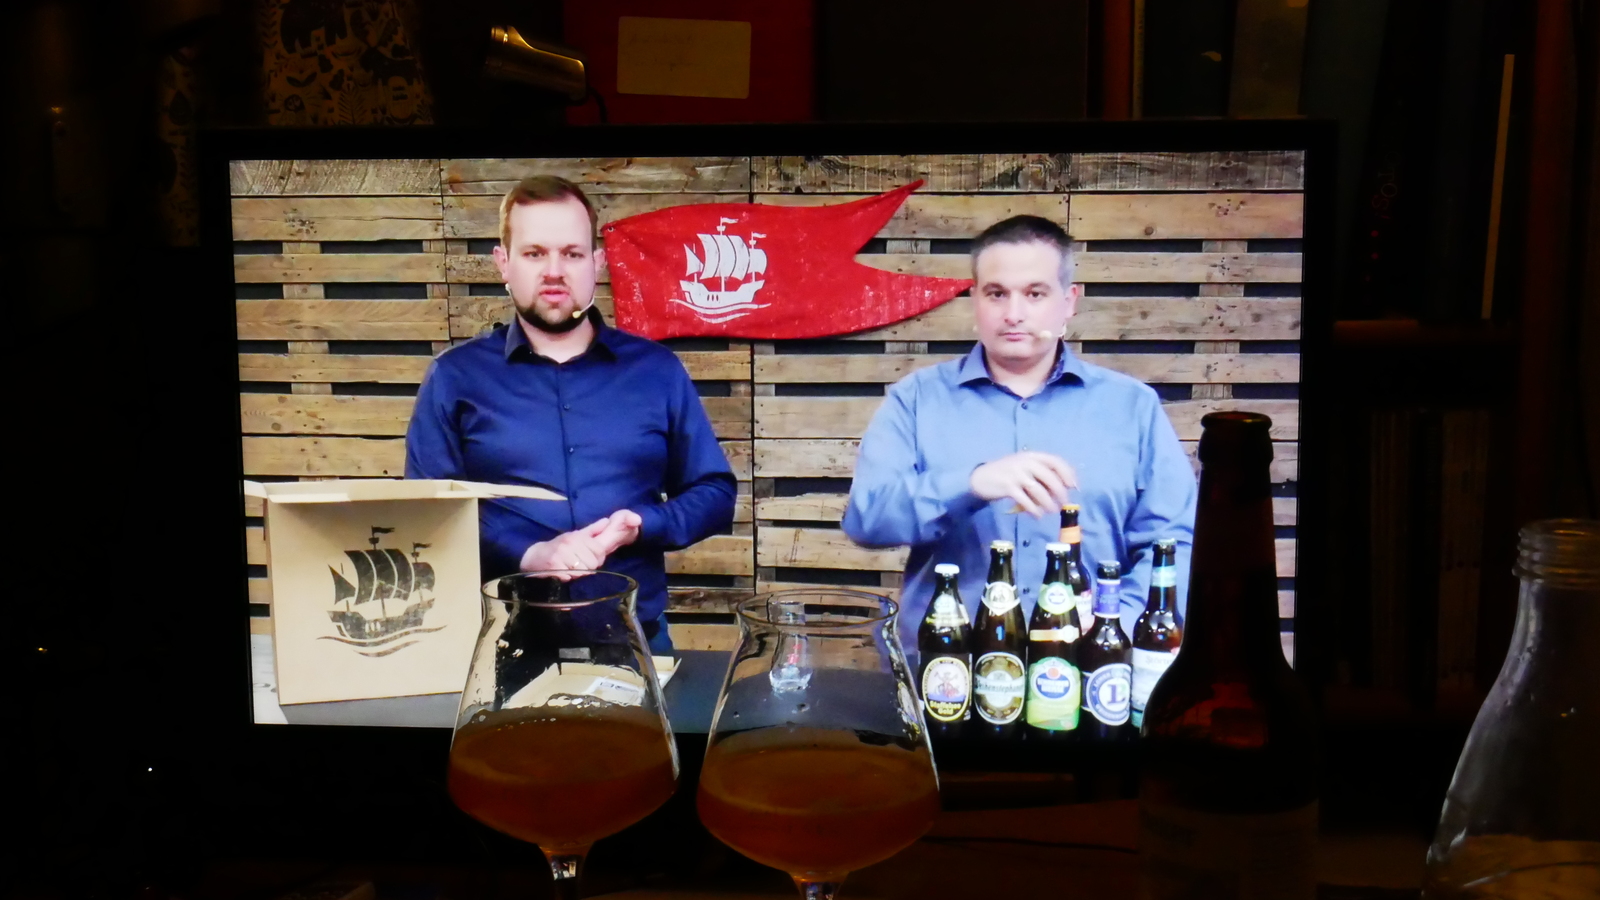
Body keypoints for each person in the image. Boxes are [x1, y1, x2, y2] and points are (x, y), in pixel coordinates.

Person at [406, 175, 737, 653]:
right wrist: (530, 552)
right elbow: (428, 509)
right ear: (503, 263)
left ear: (597, 264)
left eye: (572, 254)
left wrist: (641, 525)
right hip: (499, 651)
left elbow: (715, 493)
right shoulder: (453, 377)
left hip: (635, 645)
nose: (554, 271)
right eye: (534, 253)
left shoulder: (656, 371)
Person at [842, 215, 1197, 658]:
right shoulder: (916, 399)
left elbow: (1176, 543)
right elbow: (867, 520)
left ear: (1069, 301)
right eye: (996, 293)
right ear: (974, 300)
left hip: (1096, 670)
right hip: (945, 669)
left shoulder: (1132, 407)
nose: (1013, 313)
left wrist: (1115, 622)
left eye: (1034, 293)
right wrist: (971, 483)